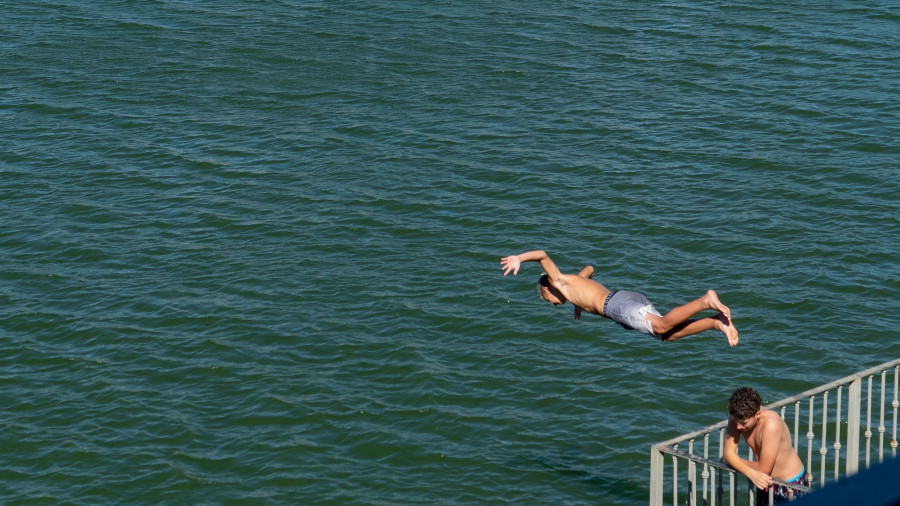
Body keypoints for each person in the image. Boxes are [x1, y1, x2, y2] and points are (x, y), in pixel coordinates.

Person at [499, 250, 738, 345]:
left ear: (549, 288)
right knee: (668, 335)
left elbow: (542, 256)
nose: (554, 305)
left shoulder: (559, 281)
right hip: (621, 300)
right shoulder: (573, 284)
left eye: (550, 303)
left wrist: (520, 258)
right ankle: (716, 322)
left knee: (662, 325)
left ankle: (705, 301)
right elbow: (590, 268)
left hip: (616, 307)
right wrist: (580, 303)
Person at [724, 387, 809, 505]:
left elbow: (763, 469)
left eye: (743, 423)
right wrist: (751, 473)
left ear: (757, 414)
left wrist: (740, 464)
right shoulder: (738, 417)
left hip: (790, 485)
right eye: (736, 422)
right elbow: (728, 453)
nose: (738, 427)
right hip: (763, 482)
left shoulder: (771, 424)